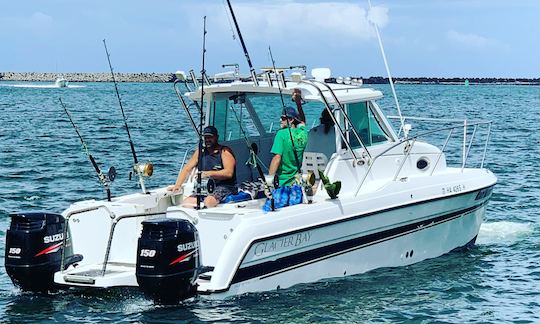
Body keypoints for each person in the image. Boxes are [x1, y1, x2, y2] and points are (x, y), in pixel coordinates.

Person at [168, 126, 237, 208]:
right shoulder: (200, 152)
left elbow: (229, 173)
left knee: (208, 201)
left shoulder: (224, 152)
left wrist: (209, 174)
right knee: (187, 203)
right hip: (205, 187)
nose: (208, 140)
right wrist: (177, 185)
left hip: (224, 186)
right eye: (206, 137)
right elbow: (187, 169)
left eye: (210, 137)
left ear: (216, 137)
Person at [268, 89, 308, 187]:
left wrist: (268, 183)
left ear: (291, 120)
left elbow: (277, 158)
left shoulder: (281, 134)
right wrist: (298, 103)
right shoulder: (303, 132)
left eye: (283, 118)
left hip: (283, 182)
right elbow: (302, 121)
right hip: (296, 182)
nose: (280, 120)